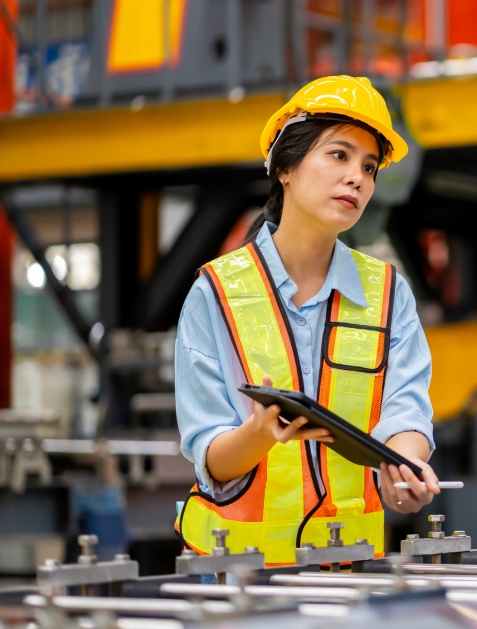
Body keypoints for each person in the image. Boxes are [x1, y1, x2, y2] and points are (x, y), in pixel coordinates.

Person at [173, 76, 440, 566]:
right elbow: (208, 454)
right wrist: (258, 433)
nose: (357, 177)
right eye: (338, 155)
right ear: (286, 167)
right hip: (240, 580)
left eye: (368, 166)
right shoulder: (216, 292)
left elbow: (405, 410)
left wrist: (404, 465)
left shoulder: (388, 293)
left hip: (352, 574)